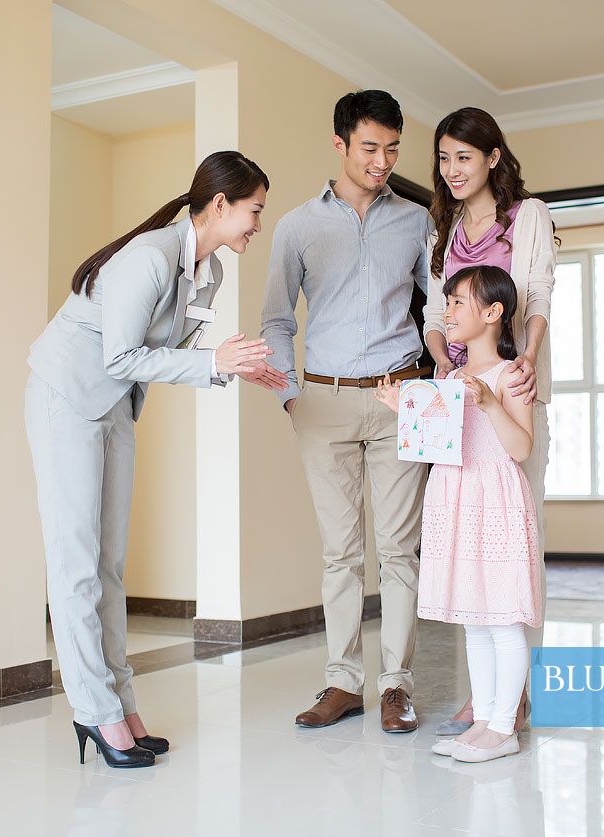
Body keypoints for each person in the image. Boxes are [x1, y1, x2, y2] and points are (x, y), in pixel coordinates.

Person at [25, 151, 286, 768]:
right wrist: (214, 363)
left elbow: (179, 355)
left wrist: (235, 370)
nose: (256, 225)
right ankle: (95, 710)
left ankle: (122, 704)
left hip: (114, 405)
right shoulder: (146, 259)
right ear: (219, 204)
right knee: (76, 564)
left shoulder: (210, 271)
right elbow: (120, 356)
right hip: (67, 399)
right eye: (253, 212)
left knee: (111, 565)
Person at [260, 90, 432, 733]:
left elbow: (439, 311)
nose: (383, 161)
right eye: (370, 148)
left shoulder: (416, 221)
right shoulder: (298, 227)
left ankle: (397, 686)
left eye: (392, 149)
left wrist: (441, 381)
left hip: (400, 397)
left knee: (400, 551)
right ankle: (342, 682)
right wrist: (288, 392)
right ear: (339, 145)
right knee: (340, 553)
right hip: (322, 399)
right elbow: (276, 318)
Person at [422, 107, 557, 735]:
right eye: (444, 158)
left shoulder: (527, 216)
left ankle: (512, 692)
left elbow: (535, 293)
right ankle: (490, 694)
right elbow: (434, 312)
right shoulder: (443, 228)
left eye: (464, 158)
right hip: (458, 401)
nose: (452, 171)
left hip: (510, 387)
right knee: (467, 539)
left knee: (512, 541)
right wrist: (444, 379)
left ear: (493, 158)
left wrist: (520, 363)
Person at [377, 265, 543, 763]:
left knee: (504, 619)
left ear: (493, 313)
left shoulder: (511, 375)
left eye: (456, 303)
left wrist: (491, 403)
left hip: (494, 501)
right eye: (446, 303)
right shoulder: (446, 377)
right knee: (474, 619)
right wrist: (401, 411)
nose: (445, 312)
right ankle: (484, 722)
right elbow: (439, 444)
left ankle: (503, 727)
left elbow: (519, 448)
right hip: (455, 500)